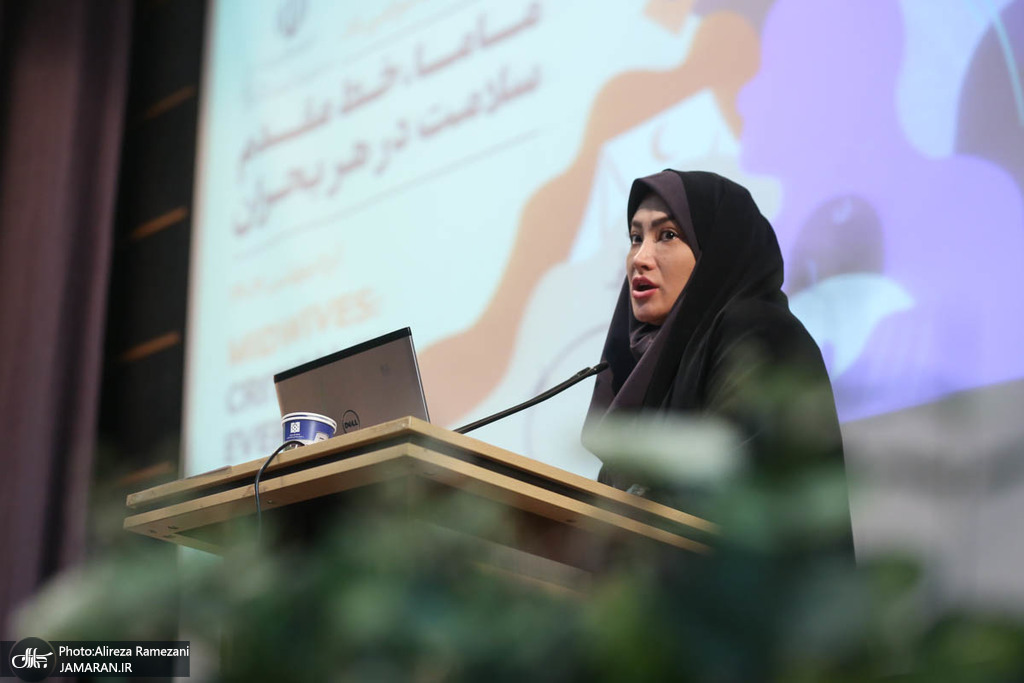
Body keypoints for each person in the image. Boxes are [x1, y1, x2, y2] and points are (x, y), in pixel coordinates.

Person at [584, 170, 847, 511]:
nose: (640, 258)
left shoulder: (759, 331)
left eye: (667, 235)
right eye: (636, 238)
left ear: (718, 251)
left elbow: (728, 473)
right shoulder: (656, 367)